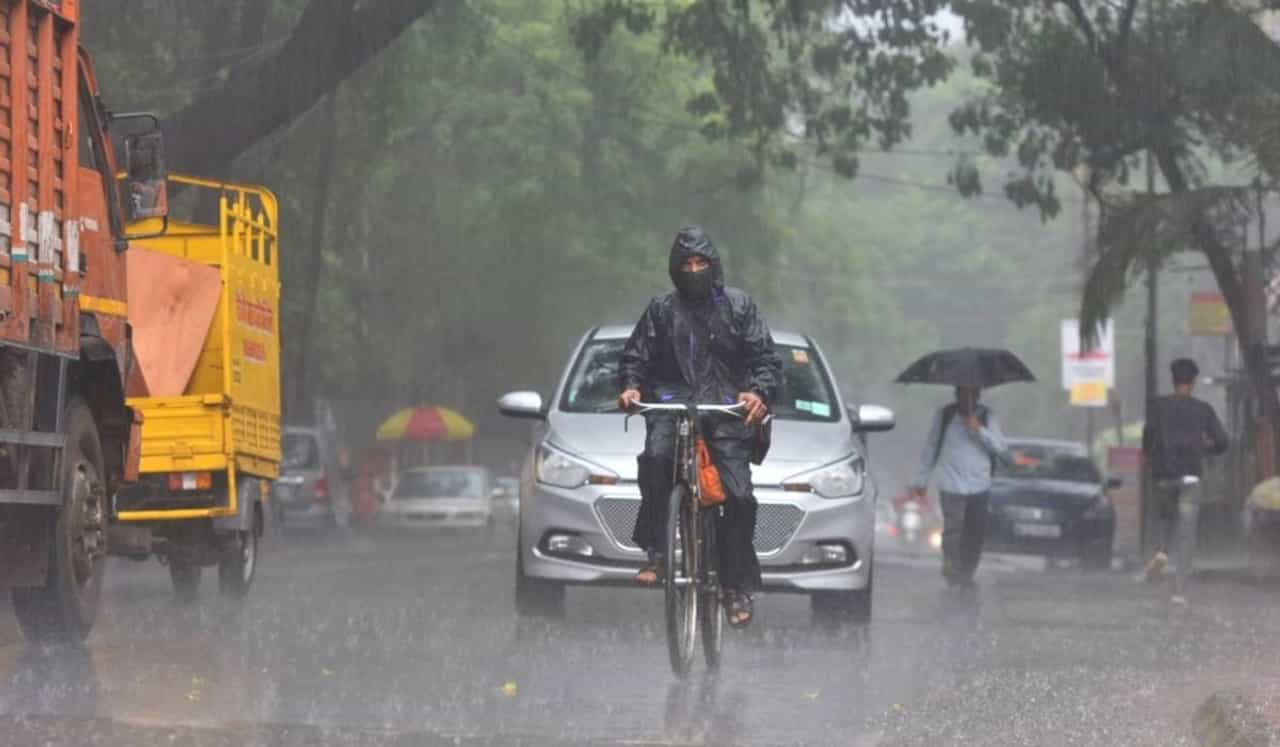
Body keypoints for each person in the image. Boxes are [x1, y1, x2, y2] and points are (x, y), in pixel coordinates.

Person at [617, 226, 781, 628]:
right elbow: (635, 355)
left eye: (700, 263)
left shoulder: (739, 306)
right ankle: (657, 549)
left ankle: (734, 587)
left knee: (739, 498)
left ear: (713, 265)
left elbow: (765, 358)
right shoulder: (661, 309)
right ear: (676, 269)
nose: (693, 270)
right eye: (686, 264)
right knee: (656, 458)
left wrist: (757, 392)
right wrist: (630, 386)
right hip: (671, 403)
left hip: (726, 409)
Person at [1140, 357, 1229, 605]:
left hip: (1164, 477)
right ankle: (1179, 590)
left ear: (1174, 380)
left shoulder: (1157, 407)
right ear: (1193, 383)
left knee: (1164, 518)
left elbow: (1147, 441)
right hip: (1191, 478)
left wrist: (1154, 462)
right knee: (1187, 536)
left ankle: (1160, 551)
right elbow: (1223, 442)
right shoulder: (1203, 410)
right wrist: (1203, 449)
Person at [910, 386, 1008, 587]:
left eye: (970, 394)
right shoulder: (945, 415)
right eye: (961, 394)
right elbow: (931, 447)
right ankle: (951, 567)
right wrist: (921, 480)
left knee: (975, 531)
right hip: (950, 483)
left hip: (979, 484)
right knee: (953, 529)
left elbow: (1000, 449)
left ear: (977, 395)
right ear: (956, 395)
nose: (965, 399)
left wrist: (978, 429)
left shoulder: (988, 417)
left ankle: (967, 572)